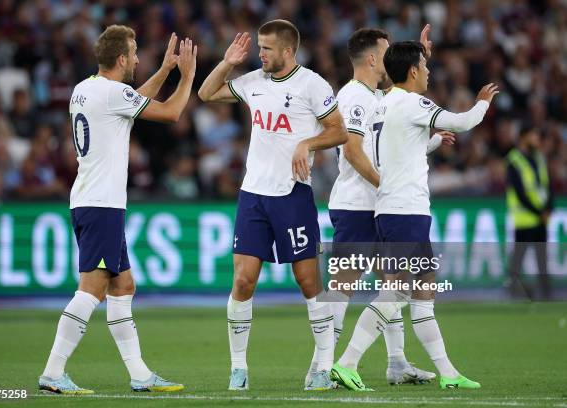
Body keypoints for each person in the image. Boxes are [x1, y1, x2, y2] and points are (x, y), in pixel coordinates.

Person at [330, 41, 498, 390]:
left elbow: (402, 149)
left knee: (422, 291)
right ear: (412, 71)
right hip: (406, 210)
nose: (429, 71)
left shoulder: (384, 104)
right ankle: (347, 362)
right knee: (397, 292)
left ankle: (448, 373)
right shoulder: (414, 103)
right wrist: (483, 101)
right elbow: (464, 121)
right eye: (424, 66)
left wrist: (433, 141)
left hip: (395, 209)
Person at [38, 25, 197, 394]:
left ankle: (140, 375)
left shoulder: (86, 89)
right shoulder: (112, 94)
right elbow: (171, 112)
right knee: (92, 289)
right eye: (136, 53)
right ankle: (53, 371)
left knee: (123, 284)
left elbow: (130, 101)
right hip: (102, 205)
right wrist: (186, 77)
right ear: (122, 58)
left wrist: (164, 70)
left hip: (89, 199)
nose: (140, 59)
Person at [198, 19, 348, 391]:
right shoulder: (253, 82)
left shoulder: (312, 84)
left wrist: (306, 144)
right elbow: (205, 93)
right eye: (258, 48)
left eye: (266, 48)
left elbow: (339, 131)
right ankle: (238, 369)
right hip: (253, 195)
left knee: (308, 282)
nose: (259, 54)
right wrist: (227, 62)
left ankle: (322, 369)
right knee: (244, 281)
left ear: (288, 51)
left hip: (293, 194)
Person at [308, 26, 454, 388]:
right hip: (358, 204)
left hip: (378, 206)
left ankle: (397, 363)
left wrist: (420, 58)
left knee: (392, 286)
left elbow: (394, 141)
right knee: (342, 285)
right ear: (372, 58)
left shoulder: (379, 96)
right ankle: (320, 369)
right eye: (387, 52)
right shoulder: (354, 97)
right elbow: (354, 152)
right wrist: (387, 188)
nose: (390, 59)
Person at [506, 124, 553, 299]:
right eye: (534, 135)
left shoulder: (539, 158)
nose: (537, 139)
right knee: (519, 257)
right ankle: (512, 288)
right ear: (524, 136)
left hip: (541, 218)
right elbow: (519, 193)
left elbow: (547, 185)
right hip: (525, 219)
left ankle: (546, 292)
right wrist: (539, 211)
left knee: (542, 258)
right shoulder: (513, 160)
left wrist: (549, 208)